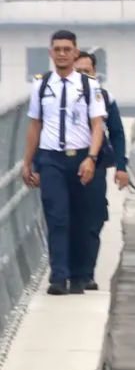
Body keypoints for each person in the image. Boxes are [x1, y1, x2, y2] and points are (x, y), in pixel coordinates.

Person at [22, 30, 107, 295]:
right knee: (57, 217)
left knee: (81, 219)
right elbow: (35, 124)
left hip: (80, 157)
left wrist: (91, 158)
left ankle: (81, 275)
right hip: (51, 160)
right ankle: (59, 275)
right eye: (57, 49)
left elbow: (97, 125)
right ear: (50, 52)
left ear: (75, 52)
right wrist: (27, 162)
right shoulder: (41, 85)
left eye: (66, 49)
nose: (61, 53)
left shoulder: (89, 86)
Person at [75, 50, 129, 290]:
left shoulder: (105, 99)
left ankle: (87, 274)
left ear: (95, 74)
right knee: (66, 220)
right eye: (79, 72)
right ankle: (67, 272)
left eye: (87, 72)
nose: (84, 77)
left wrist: (121, 167)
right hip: (64, 167)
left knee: (93, 220)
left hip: (95, 168)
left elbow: (117, 133)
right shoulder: (56, 100)